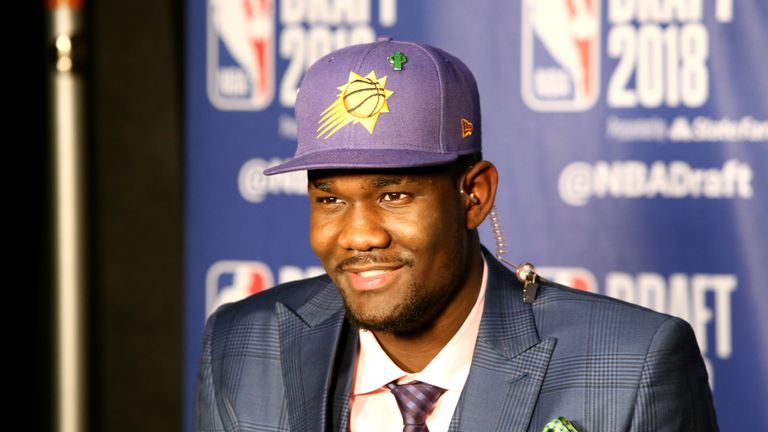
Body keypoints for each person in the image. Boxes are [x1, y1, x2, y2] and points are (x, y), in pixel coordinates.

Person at [195, 38, 717, 432]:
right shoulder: (241, 344)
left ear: (475, 195)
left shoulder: (633, 363)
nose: (358, 236)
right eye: (329, 199)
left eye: (393, 195)